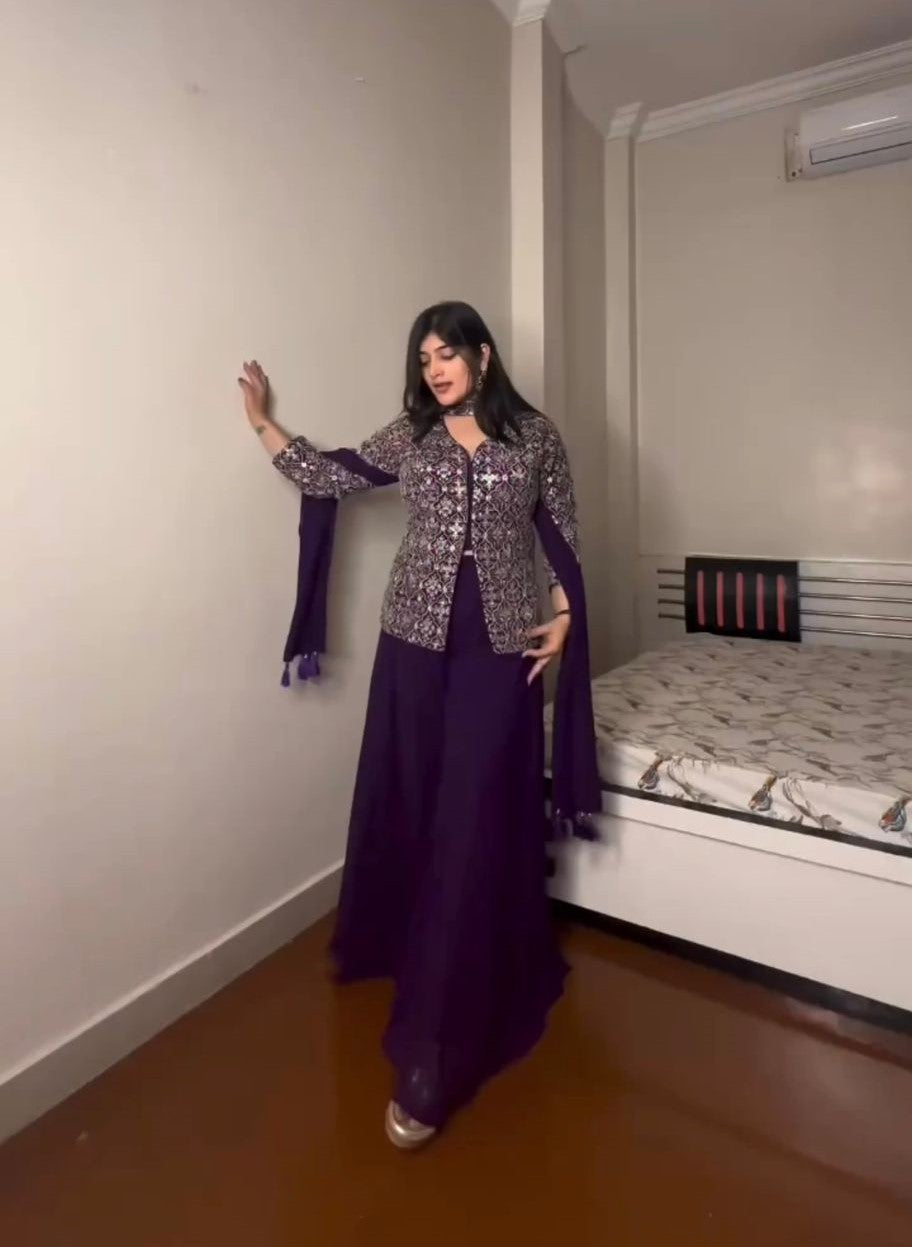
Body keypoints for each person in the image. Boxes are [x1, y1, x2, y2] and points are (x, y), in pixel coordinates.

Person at [238, 301, 599, 1149]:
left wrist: (564, 616)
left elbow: (564, 535)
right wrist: (262, 422)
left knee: (473, 818)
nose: (435, 368)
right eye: (424, 357)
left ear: (483, 355)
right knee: (418, 801)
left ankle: (435, 1047)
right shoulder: (415, 434)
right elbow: (330, 475)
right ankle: (412, 947)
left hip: (498, 650)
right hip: (412, 645)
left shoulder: (535, 438)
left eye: (448, 353)